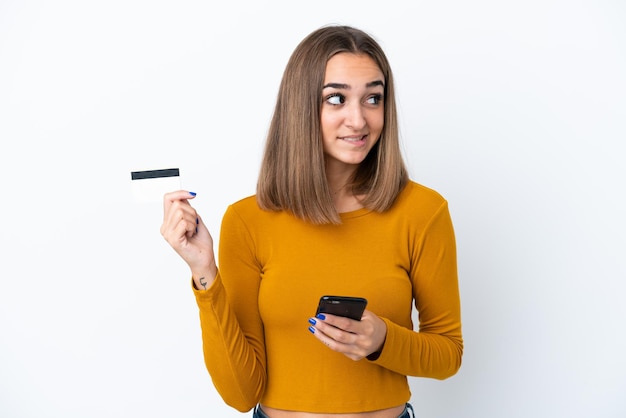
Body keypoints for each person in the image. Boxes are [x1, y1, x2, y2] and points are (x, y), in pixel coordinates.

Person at [160, 25, 463, 418]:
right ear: (301, 107)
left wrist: (382, 339)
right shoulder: (248, 220)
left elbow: (448, 354)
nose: (358, 119)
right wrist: (204, 273)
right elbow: (240, 393)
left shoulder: (423, 211)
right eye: (336, 99)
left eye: (373, 98)